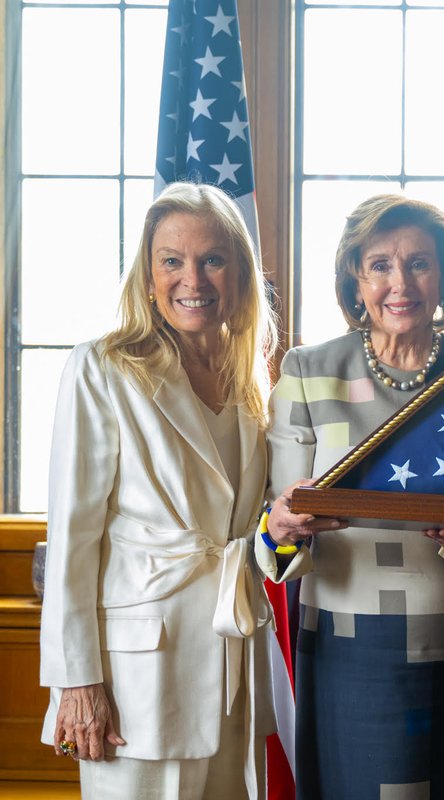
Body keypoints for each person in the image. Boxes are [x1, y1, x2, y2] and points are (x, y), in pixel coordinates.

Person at [258, 194, 444, 799]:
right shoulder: (306, 370)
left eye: (419, 263)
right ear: (355, 277)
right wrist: (284, 527)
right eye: (379, 265)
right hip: (351, 649)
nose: (400, 283)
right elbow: (273, 537)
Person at [39, 182, 280, 798]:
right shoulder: (102, 367)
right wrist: (77, 681)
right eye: (172, 260)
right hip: (134, 674)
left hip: (233, 660)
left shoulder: (251, 381)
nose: (191, 278)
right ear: (148, 276)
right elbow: (73, 537)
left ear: (240, 274)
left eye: (213, 259)